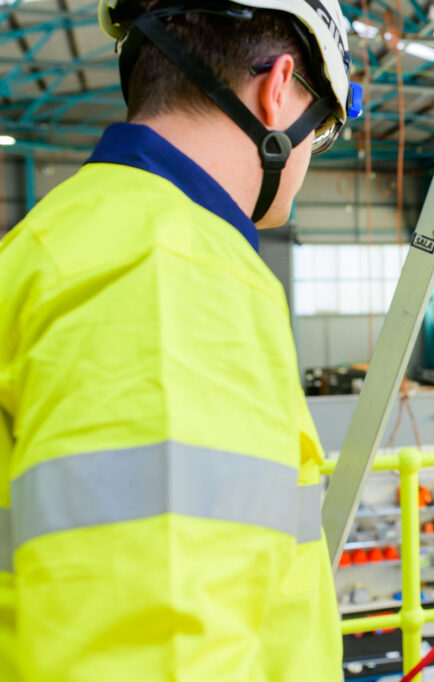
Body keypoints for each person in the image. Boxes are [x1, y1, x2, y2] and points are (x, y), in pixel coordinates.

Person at [0, 1, 361, 680]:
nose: (314, 153)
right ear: (280, 87)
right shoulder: (172, 268)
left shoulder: (50, 241)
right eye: (326, 128)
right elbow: (163, 648)